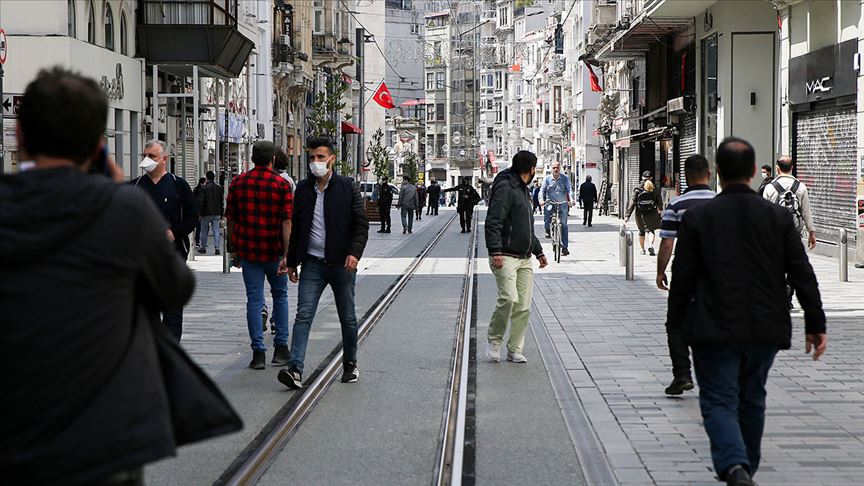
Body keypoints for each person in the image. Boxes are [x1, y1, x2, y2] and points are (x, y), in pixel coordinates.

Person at [0, 67, 240, 485]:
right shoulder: (123, 208)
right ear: (97, 146)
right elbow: (175, 289)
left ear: (19, 137)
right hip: (103, 430)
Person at [668, 137, 826, 486]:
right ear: (755, 172)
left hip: (712, 326)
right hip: (763, 327)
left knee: (719, 400)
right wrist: (815, 322)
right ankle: (745, 469)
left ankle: (736, 467)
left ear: (718, 173)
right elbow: (802, 272)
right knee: (752, 398)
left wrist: (675, 321)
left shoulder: (698, 217)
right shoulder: (778, 217)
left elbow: (683, 276)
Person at [278, 137, 369, 389]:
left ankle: (350, 363)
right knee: (304, 314)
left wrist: (354, 252)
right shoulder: (304, 190)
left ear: (331, 159)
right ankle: (295, 368)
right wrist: (292, 261)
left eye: (320, 157)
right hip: (313, 264)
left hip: (341, 263)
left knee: (347, 317)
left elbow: (360, 226)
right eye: (311, 157)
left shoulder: (346, 187)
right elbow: (297, 229)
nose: (315, 162)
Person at [225, 141, 293, 369]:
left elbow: (231, 219)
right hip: (274, 252)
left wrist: (233, 248)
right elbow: (286, 221)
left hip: (249, 253)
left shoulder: (238, 183)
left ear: (252, 158)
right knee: (280, 296)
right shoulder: (281, 185)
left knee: (254, 300)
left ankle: (258, 353)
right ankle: (281, 348)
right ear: (273, 159)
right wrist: (287, 254)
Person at [656, 154, 716, 396]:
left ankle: (682, 374)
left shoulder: (677, 205)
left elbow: (667, 244)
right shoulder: (720, 202)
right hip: (717, 274)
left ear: (685, 178)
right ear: (709, 175)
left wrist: (660, 271)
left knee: (676, 324)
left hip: (685, 273)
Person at [132, 139, 200, 341]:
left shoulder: (178, 186)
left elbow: (192, 217)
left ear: (164, 159)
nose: (147, 160)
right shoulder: (135, 186)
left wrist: (174, 232)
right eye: (144, 155)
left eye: (151, 156)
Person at [484, 151, 548, 364]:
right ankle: (494, 341)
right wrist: (495, 251)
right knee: (509, 299)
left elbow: (526, 225)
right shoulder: (506, 187)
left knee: (524, 306)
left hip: (524, 257)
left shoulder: (523, 189)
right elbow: (493, 220)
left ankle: (515, 349)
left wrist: (538, 251)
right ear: (531, 169)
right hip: (505, 255)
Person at [762, 156, 816, 250]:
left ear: (777, 168)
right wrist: (811, 232)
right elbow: (806, 212)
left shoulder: (769, 187)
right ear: (791, 168)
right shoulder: (801, 187)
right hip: (794, 236)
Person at [540, 162, 572, 255]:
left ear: (560, 168)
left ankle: (565, 247)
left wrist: (572, 200)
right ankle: (547, 230)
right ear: (551, 169)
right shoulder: (547, 179)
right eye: (553, 168)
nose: (555, 169)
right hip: (550, 203)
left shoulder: (565, 178)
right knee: (547, 211)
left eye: (557, 168)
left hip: (562, 203)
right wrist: (541, 200)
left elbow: (570, 190)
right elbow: (542, 190)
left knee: (564, 224)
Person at [625, 180, 663, 256]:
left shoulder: (637, 190)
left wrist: (627, 215)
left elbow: (632, 203)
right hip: (652, 213)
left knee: (641, 231)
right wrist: (660, 209)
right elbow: (660, 201)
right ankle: (651, 245)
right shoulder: (654, 190)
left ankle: (642, 249)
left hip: (640, 214)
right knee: (651, 230)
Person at [198, 170, 224, 255]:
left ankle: (203, 248)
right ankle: (217, 248)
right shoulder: (219, 187)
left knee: (204, 230)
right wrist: (221, 212)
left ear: (207, 178)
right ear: (214, 177)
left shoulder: (204, 188)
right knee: (216, 230)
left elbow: (201, 201)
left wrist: (199, 212)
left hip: (206, 213)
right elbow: (221, 201)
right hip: (216, 212)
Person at [193, 176, 207, 249]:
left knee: (198, 227)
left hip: (196, 211)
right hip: (201, 212)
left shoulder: (196, 189)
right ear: (203, 182)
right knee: (202, 228)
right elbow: (203, 202)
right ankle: (201, 242)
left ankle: (197, 242)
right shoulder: (204, 190)